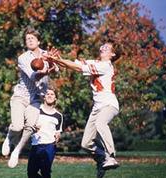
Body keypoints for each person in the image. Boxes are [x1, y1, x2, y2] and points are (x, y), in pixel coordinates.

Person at [49, 42, 119, 178]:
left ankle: (111, 156)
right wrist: (55, 59)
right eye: (102, 46)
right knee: (86, 144)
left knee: (101, 124)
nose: (102, 48)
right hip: (97, 107)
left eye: (107, 47)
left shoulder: (104, 66)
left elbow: (79, 68)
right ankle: (101, 159)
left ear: (113, 54)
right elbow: (73, 65)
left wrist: (58, 60)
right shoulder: (95, 62)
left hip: (109, 104)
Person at [1, 27, 59, 168]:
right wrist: (45, 71)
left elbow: (57, 70)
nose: (30, 40)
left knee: (31, 126)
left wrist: (52, 62)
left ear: (39, 41)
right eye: (27, 39)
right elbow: (33, 76)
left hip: (36, 98)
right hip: (21, 96)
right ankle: (10, 136)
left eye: (32, 38)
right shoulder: (23, 58)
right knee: (17, 126)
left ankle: (17, 151)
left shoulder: (46, 54)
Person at [27, 87, 63, 178]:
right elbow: (27, 125)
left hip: (49, 146)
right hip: (36, 144)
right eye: (47, 94)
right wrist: (33, 127)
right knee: (31, 173)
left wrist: (58, 135)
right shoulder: (36, 110)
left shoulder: (58, 115)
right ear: (44, 97)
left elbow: (58, 131)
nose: (50, 96)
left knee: (46, 172)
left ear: (55, 98)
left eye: (52, 94)